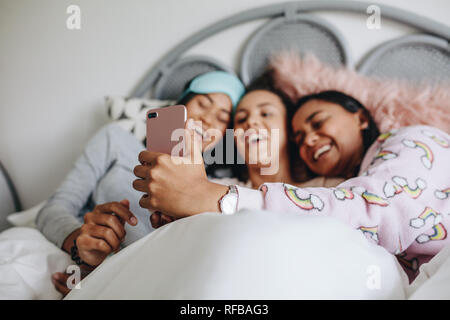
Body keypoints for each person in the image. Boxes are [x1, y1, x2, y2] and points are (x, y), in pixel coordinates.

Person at [134, 90, 450, 282]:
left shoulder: (408, 142)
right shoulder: (214, 183)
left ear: (361, 117)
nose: (309, 140)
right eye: (240, 119)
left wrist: (207, 196)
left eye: (317, 122)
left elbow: (379, 208)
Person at [36, 71, 245, 295]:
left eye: (222, 117)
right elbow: (53, 209)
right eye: (202, 103)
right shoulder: (116, 140)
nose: (208, 119)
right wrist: (82, 247)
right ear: (181, 105)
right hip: (109, 276)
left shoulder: (216, 192)